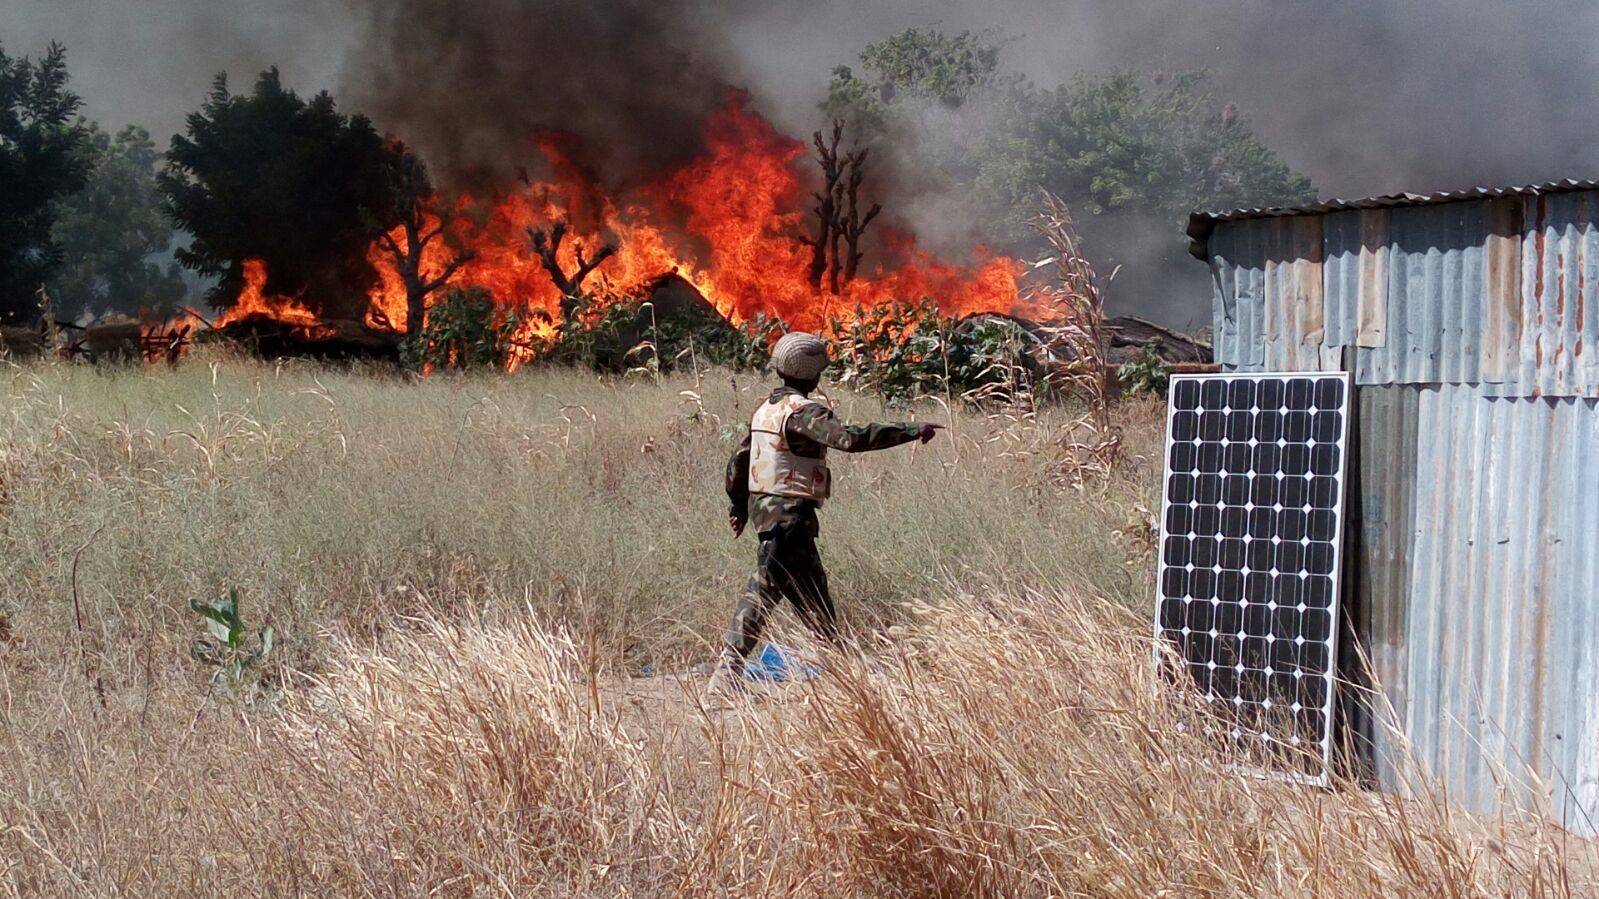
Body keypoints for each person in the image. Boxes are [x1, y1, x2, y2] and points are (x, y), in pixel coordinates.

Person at [709, 331, 941, 695]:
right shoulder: (804, 413)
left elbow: (738, 463)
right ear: (814, 375)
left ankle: (845, 675)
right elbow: (850, 438)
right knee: (763, 590)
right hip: (789, 518)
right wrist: (911, 428)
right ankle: (725, 675)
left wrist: (739, 505)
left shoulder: (766, 410)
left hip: (775, 517)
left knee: (815, 601)